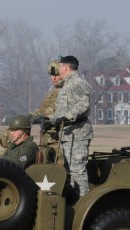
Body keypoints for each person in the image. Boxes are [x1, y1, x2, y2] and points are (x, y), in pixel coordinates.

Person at [49, 55, 93, 200]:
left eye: (60, 66)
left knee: (77, 171)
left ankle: (83, 204)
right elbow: (61, 112)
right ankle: (75, 201)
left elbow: (84, 104)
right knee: (70, 171)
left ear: (66, 67)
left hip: (77, 134)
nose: (58, 69)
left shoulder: (77, 83)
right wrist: (48, 119)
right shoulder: (66, 85)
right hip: (68, 134)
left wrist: (67, 117)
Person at [32, 59, 64, 165]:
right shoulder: (51, 92)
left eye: (56, 75)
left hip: (58, 139)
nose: (54, 78)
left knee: (60, 168)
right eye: (51, 75)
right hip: (46, 138)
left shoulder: (66, 91)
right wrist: (30, 116)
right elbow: (41, 110)